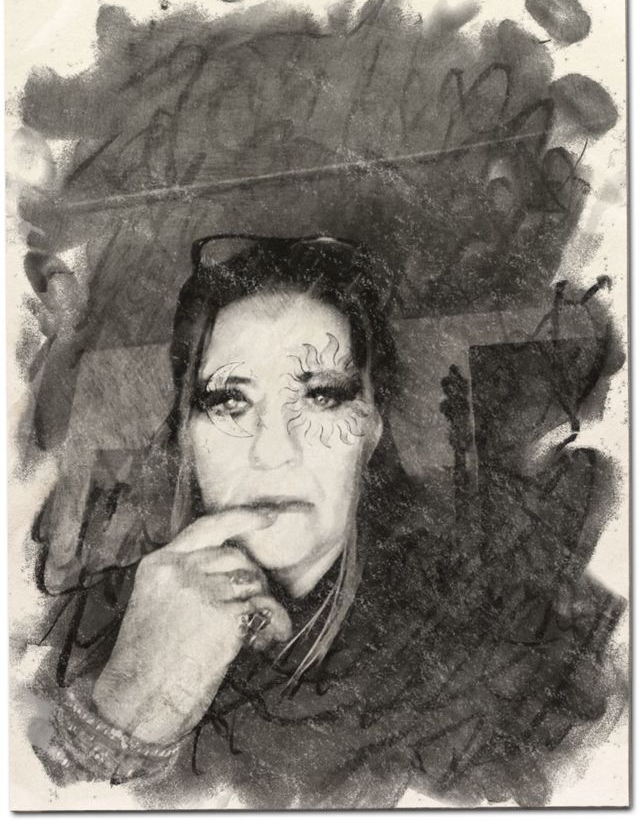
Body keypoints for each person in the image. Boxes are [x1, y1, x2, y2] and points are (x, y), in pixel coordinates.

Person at [31, 235, 625, 809]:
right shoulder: (97, 615)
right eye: (229, 401)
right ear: (188, 435)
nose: (273, 451)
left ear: (371, 431)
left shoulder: (473, 652)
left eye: (322, 396)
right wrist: (121, 708)